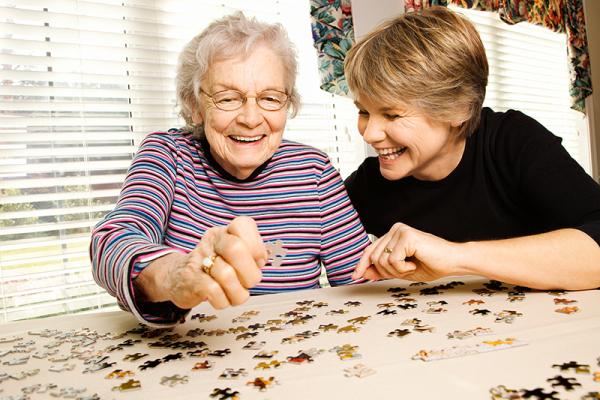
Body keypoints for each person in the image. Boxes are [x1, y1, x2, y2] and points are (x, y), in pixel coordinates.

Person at [90, 12, 370, 326]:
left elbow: (361, 283)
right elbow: (112, 240)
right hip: (193, 358)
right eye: (227, 98)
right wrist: (176, 275)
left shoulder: (314, 171)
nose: (251, 118)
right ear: (194, 105)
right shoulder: (167, 155)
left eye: (269, 98)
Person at [344, 6, 600, 290]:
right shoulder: (369, 182)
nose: (370, 133)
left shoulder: (514, 142)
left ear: (459, 108)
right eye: (364, 112)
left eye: (392, 115)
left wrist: (455, 257)